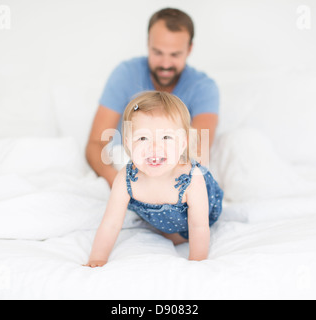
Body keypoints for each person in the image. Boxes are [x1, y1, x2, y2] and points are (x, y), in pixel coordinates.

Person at [84, 91, 223, 268]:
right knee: (155, 232)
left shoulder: (191, 179)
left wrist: (197, 264)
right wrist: (97, 259)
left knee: (187, 231)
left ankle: (175, 234)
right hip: (160, 219)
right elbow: (110, 223)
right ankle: (162, 228)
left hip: (198, 216)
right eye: (142, 138)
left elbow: (198, 227)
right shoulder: (127, 178)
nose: (154, 147)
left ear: (182, 143)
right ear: (128, 143)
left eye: (166, 137)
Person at [86, 8, 220, 187]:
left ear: (189, 49)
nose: (165, 64)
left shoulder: (204, 88)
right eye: (157, 52)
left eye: (175, 55)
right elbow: (96, 144)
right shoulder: (125, 74)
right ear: (148, 44)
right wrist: (121, 183)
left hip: (173, 176)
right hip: (126, 169)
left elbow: (198, 153)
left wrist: (162, 189)